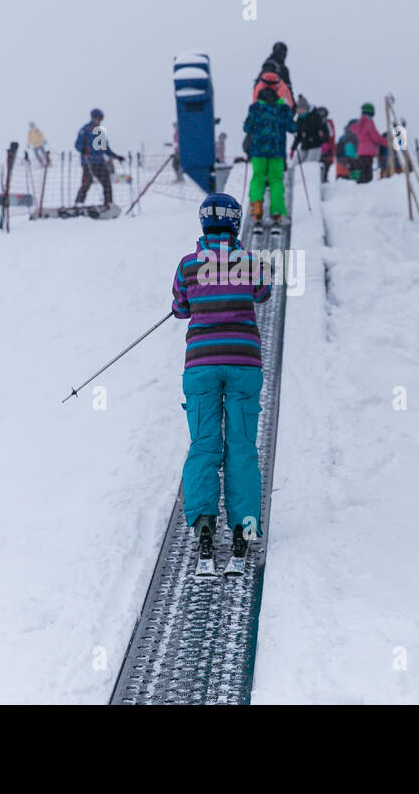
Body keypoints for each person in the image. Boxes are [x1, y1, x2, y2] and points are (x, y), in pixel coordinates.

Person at [171, 193, 271, 573]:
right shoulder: (249, 262)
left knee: (204, 445)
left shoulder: (187, 265)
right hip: (244, 363)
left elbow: (181, 309)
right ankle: (244, 530)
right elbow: (262, 292)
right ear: (235, 223)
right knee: (241, 446)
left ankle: (204, 528)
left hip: (201, 366)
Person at [243, 84, 296, 223]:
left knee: (258, 178)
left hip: (258, 151)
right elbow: (291, 127)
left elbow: (247, 127)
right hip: (277, 151)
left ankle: (257, 210)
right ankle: (277, 213)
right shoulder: (282, 108)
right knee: (276, 181)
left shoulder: (255, 108)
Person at [74, 108, 124, 207]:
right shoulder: (85, 130)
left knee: (107, 183)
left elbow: (105, 148)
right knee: (86, 183)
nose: (99, 120)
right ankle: (79, 203)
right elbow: (77, 144)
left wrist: (116, 156)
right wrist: (82, 149)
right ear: (93, 118)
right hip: (88, 161)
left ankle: (108, 203)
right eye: (97, 118)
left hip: (99, 162)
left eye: (101, 119)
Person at [352, 102, 385, 183]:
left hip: (360, 151)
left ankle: (360, 188)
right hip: (367, 151)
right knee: (367, 174)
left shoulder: (358, 123)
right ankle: (365, 190)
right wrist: (388, 143)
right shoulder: (368, 122)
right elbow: (375, 137)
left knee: (362, 172)